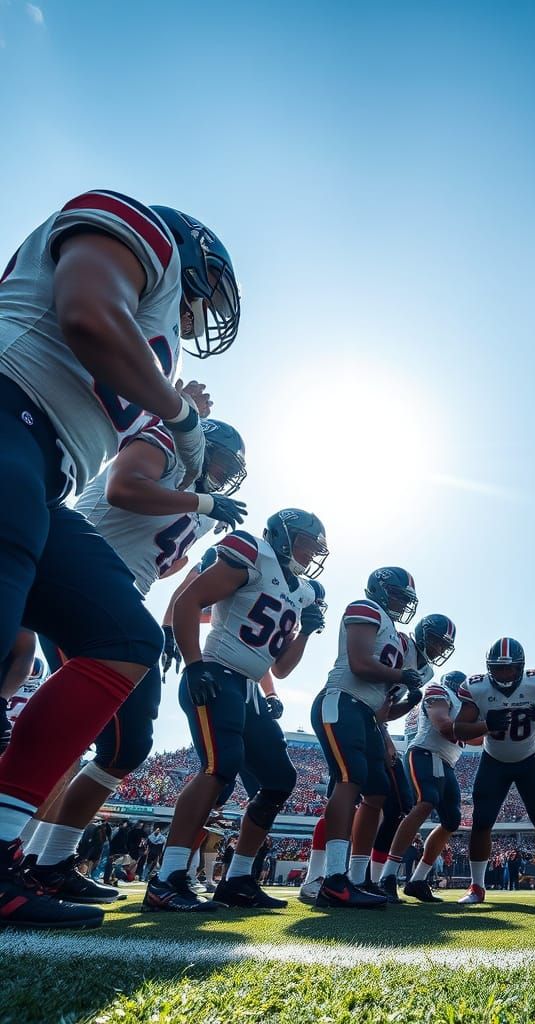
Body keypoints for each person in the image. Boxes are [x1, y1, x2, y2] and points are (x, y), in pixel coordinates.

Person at [0, 194, 239, 928]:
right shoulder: (145, 234)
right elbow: (88, 316)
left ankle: (8, 849)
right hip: (8, 414)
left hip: (42, 471)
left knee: (123, 639)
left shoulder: (155, 349)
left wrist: (172, 406)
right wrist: (181, 414)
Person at [18, 414, 246, 904]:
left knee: (126, 747)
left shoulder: (202, 512)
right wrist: (201, 498)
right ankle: (23, 855)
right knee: (78, 735)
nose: (225, 476)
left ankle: (50, 861)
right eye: (224, 461)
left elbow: (158, 560)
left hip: (120, 599)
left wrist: (164, 627)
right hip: (80, 574)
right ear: (203, 445)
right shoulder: (173, 451)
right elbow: (124, 487)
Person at [145, 510, 328, 912]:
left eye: (315, 548)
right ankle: (167, 878)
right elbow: (191, 599)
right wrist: (194, 665)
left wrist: (307, 633)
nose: (310, 553)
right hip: (216, 673)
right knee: (220, 766)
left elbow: (280, 667)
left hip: (249, 689)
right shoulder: (252, 552)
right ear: (281, 536)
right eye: (305, 543)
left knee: (279, 779)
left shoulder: (301, 592)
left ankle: (239, 878)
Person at [312, 567, 422, 910]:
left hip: (365, 714)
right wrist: (401, 674)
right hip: (341, 700)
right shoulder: (366, 608)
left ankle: (358, 877)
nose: (402, 604)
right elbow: (359, 664)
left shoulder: (393, 632)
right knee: (350, 780)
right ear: (380, 588)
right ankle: (332, 878)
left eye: (407, 599)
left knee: (377, 792)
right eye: (398, 595)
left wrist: (406, 701)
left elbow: (383, 713)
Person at [454, 637, 535, 906]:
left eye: (509, 669)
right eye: (498, 669)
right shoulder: (476, 687)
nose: (504, 674)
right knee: (481, 823)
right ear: (489, 668)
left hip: (531, 759)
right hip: (494, 760)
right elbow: (459, 730)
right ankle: (476, 886)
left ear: (521, 667)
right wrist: (486, 725)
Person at [377, 670, 469, 904]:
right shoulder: (440, 691)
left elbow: (477, 737)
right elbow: (443, 724)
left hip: (447, 762)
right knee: (425, 802)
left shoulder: (467, 705)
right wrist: (484, 725)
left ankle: (418, 880)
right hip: (425, 753)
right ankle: (387, 876)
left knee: (452, 820)